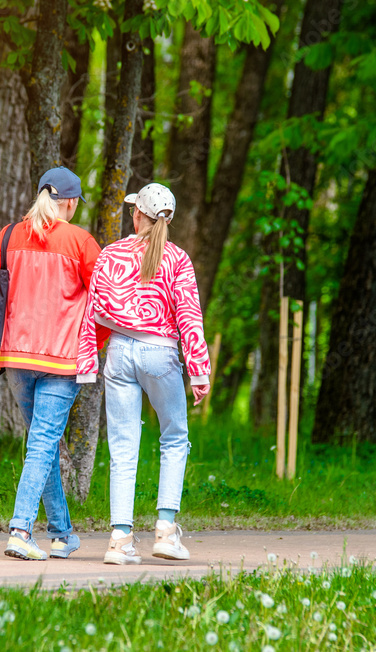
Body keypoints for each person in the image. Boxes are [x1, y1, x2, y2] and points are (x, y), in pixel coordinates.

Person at [0, 167, 107, 561]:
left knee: (40, 443)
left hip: (14, 357)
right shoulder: (81, 241)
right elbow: (103, 303)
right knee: (43, 442)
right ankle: (20, 529)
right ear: (69, 202)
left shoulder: (9, 235)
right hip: (61, 360)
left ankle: (63, 533)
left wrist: (16, 314)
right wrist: (93, 345)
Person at [76, 182, 211, 565]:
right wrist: (199, 371)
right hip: (161, 354)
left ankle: (119, 541)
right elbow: (189, 317)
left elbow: (94, 312)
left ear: (137, 215)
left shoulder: (111, 255)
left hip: (119, 352)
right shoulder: (178, 259)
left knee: (122, 447)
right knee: (174, 438)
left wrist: (87, 363)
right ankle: (166, 531)